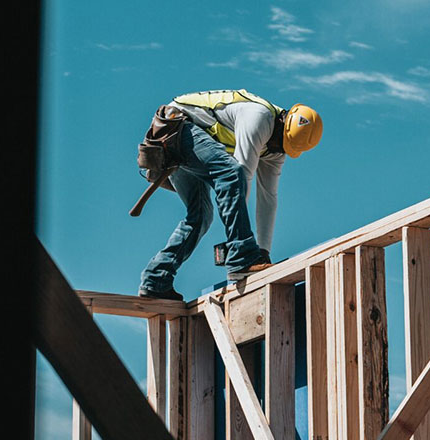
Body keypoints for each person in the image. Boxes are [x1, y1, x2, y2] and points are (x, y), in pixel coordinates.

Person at [138, 89, 322, 299]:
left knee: (200, 217)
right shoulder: (259, 117)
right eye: (278, 142)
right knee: (231, 172)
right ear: (282, 121)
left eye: (282, 147)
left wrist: (263, 252)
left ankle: (156, 279)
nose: (275, 149)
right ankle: (242, 255)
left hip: (187, 141)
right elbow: (240, 176)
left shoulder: (276, 149)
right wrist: (242, 251)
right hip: (176, 127)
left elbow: (268, 199)